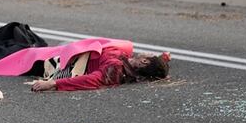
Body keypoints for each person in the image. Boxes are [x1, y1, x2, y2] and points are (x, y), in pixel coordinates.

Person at [31, 48, 170, 92]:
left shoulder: (115, 68)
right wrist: (164, 59)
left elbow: (91, 80)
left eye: (150, 55)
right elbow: (156, 67)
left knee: (21, 53)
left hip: (58, 63)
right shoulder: (128, 64)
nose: (148, 52)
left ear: (144, 61)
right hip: (69, 53)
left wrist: (53, 83)